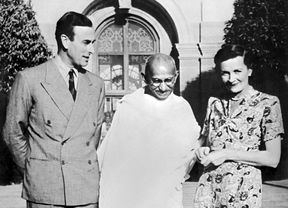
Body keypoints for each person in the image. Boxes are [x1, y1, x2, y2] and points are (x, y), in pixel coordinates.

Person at [3, 11, 105, 208]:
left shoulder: (96, 84)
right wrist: (37, 167)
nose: (92, 49)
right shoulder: (30, 79)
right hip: (46, 190)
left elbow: (94, 136)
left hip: (85, 189)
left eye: (92, 42)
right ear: (65, 41)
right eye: (86, 42)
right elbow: (12, 133)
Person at [97, 53, 200, 208]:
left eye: (168, 80)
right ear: (144, 78)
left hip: (169, 193)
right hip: (134, 192)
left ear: (176, 76)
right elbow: (113, 157)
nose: (163, 87)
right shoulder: (131, 106)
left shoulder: (182, 107)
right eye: (156, 81)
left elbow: (191, 149)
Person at [193, 44, 284, 208]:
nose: (231, 79)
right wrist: (201, 150)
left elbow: (273, 158)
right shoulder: (214, 103)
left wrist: (226, 153)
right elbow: (204, 143)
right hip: (208, 193)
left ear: (249, 70)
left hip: (243, 195)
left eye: (237, 71)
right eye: (225, 73)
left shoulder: (268, 104)